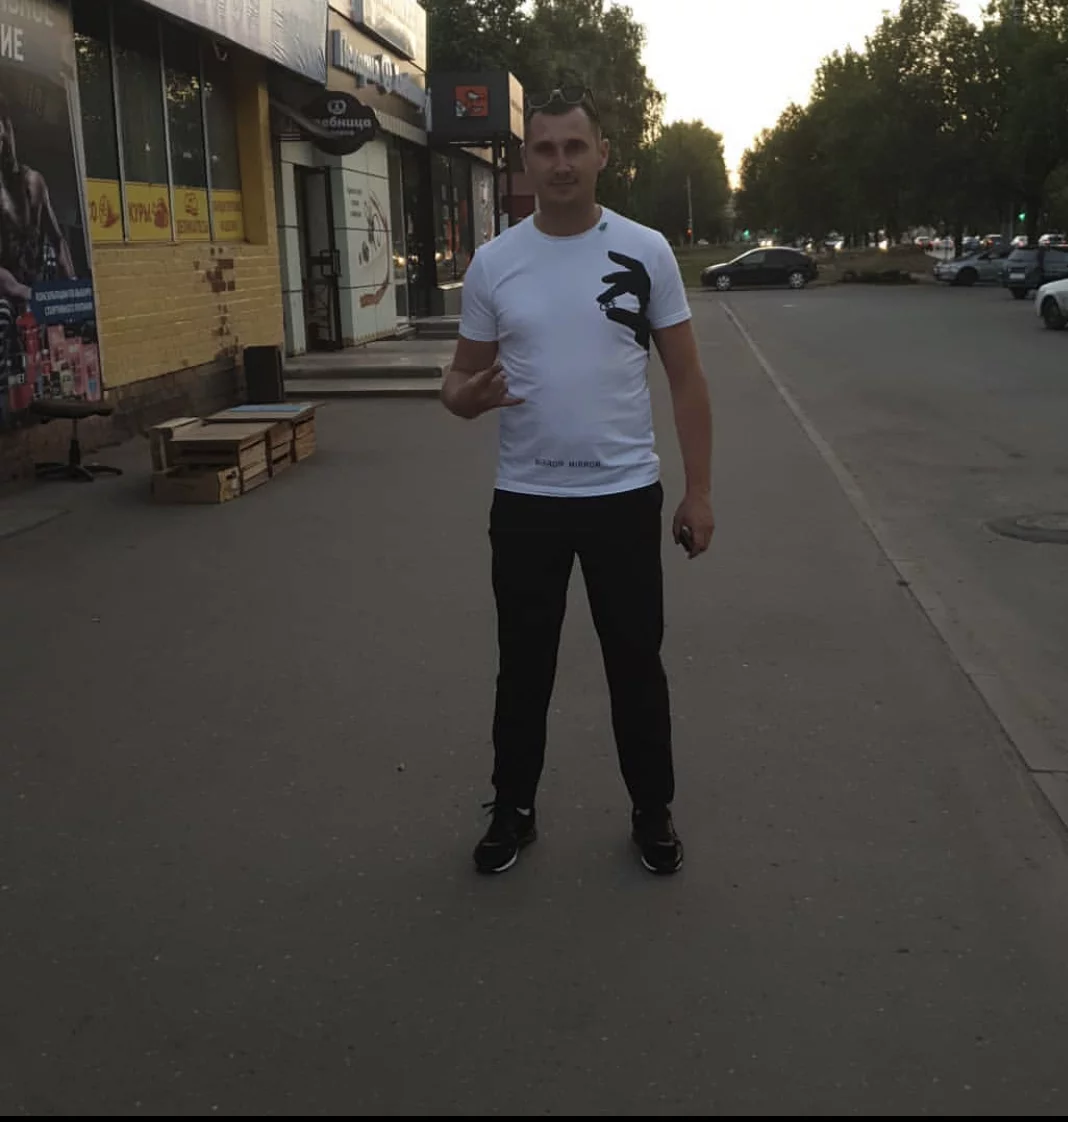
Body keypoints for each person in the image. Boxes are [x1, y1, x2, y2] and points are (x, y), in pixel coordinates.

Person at [440, 86, 715, 876]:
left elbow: (687, 379)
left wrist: (698, 493)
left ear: (602, 154)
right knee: (523, 667)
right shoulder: (496, 263)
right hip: (527, 500)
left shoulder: (646, 251)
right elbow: (457, 384)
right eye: (545, 148)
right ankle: (513, 810)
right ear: (526, 160)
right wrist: (467, 400)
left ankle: (652, 812)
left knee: (635, 664)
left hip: (622, 499)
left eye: (574, 147)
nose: (560, 162)